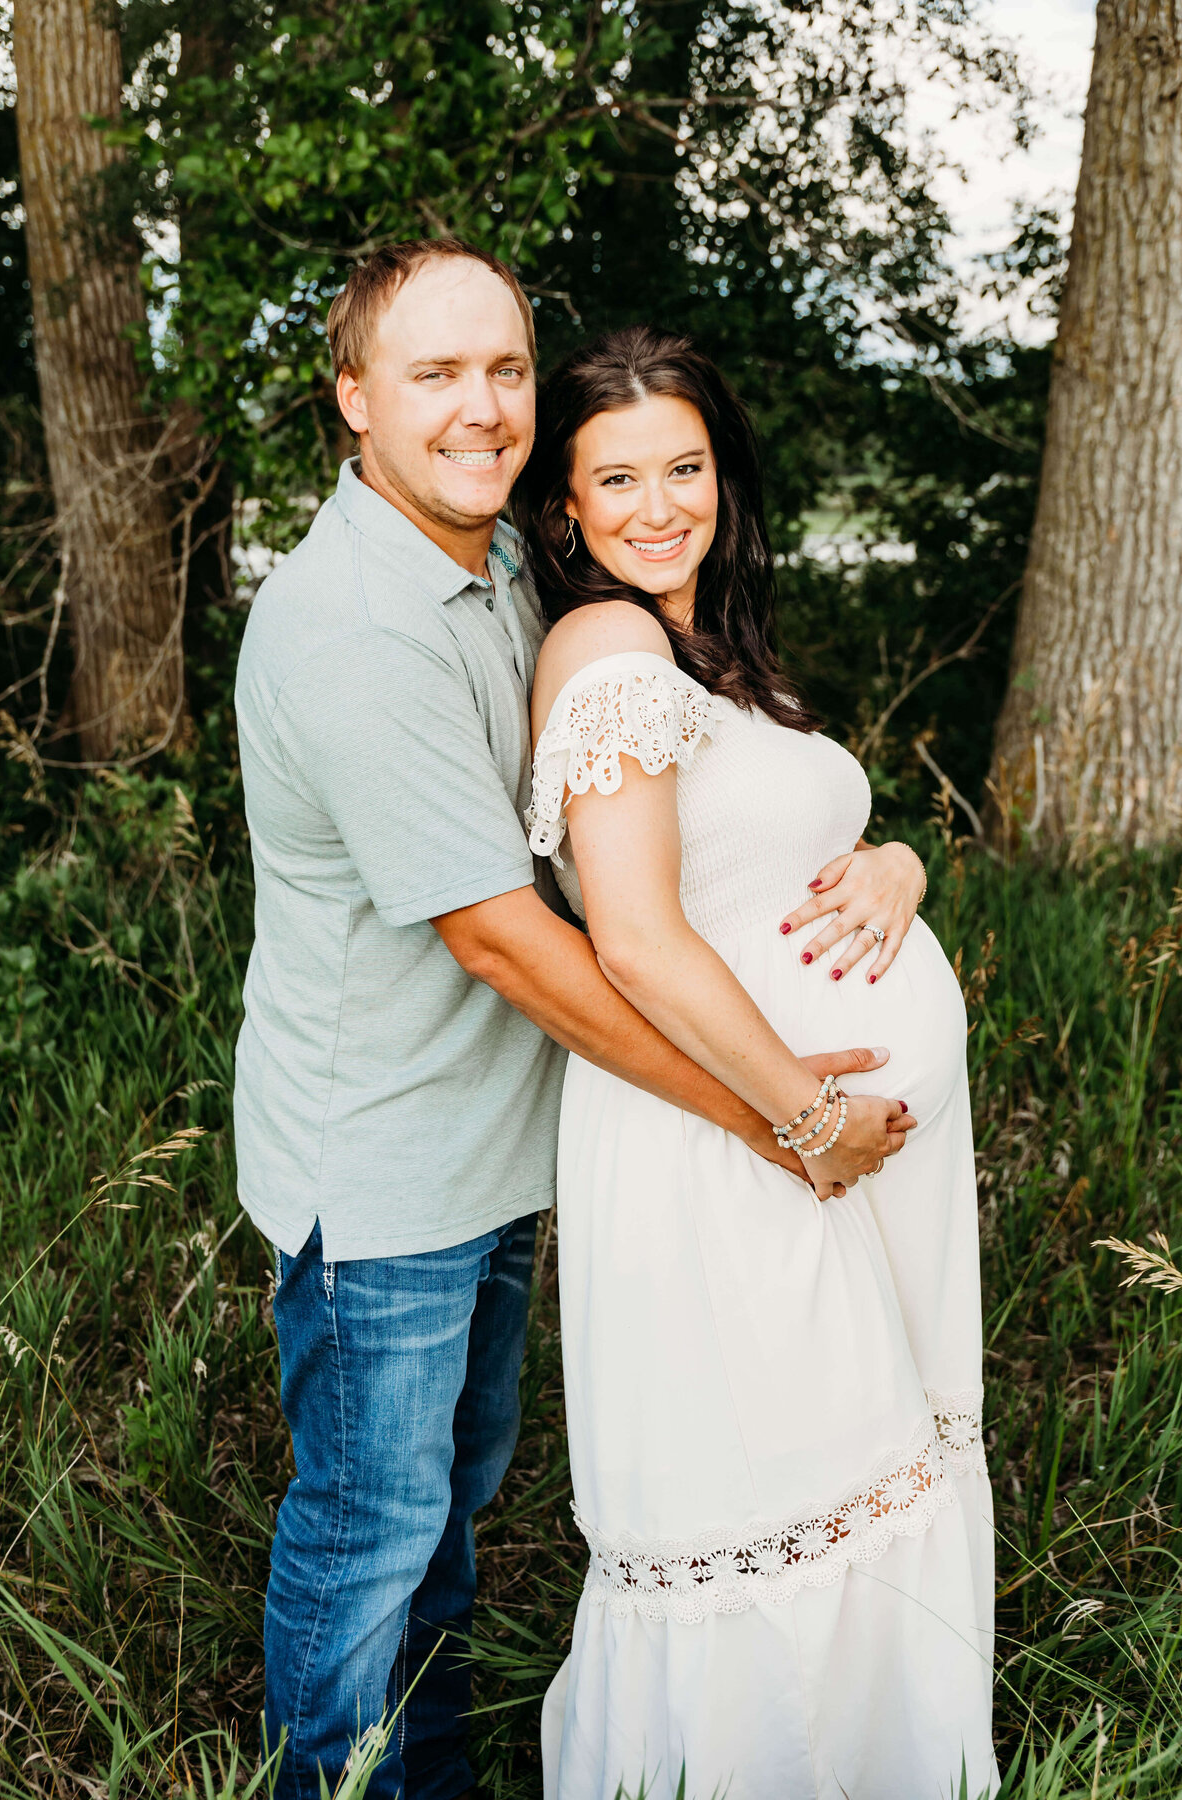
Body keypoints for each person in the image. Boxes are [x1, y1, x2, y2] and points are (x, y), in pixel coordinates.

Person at [233, 239, 926, 1799]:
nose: (483, 408)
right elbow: (516, 945)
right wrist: (782, 1122)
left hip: (503, 1145)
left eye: (504, 371)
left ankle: (433, 1779)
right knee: (369, 1535)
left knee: (451, 1523)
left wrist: (894, 853)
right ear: (353, 398)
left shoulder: (495, 564)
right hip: (388, 1165)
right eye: (433, 375)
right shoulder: (357, 626)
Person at [512, 324, 997, 1799]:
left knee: (850, 1460)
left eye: (687, 467)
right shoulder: (606, 647)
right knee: (776, 1484)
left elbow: (771, 860)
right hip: (734, 1143)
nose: (660, 505)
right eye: (617, 479)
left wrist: (901, 864)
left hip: (804, 1147)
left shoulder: (699, 648)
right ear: (564, 512)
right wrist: (810, 1114)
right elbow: (641, 943)